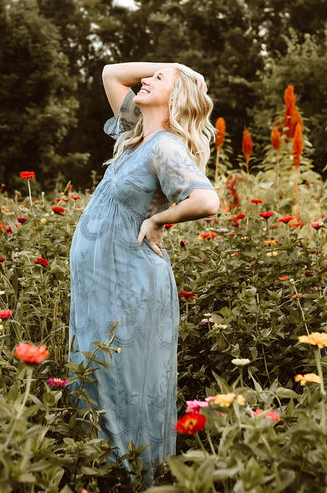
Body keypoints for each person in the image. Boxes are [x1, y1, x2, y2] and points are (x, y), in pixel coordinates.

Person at [69, 61, 220, 484]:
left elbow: (207, 201)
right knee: (97, 375)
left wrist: (157, 221)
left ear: (175, 98)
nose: (145, 79)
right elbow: (110, 74)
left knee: (124, 381)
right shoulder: (135, 133)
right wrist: (174, 67)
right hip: (102, 284)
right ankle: (101, 474)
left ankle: (133, 480)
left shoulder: (165, 146)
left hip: (130, 283)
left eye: (158, 79)